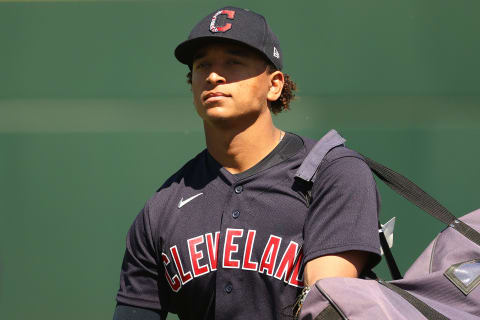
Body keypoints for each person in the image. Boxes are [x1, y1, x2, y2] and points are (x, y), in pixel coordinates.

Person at [113, 6, 381, 320]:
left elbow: (326, 310)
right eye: (203, 65)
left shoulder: (332, 173)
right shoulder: (162, 208)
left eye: (233, 62)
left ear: (275, 85)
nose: (214, 76)